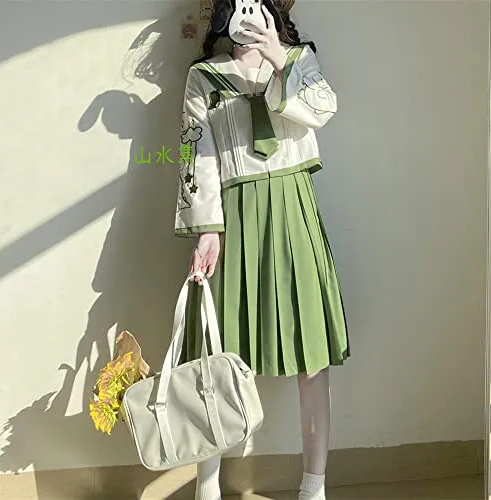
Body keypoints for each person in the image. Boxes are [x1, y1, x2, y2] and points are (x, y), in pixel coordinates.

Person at [174, 1, 350, 498]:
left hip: (294, 211)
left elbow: (322, 111)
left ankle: (313, 486)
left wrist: (278, 57)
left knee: (311, 356)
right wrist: (207, 229)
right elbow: (193, 152)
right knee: (216, 357)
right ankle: (208, 487)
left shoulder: (298, 60)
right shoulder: (204, 77)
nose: (248, 15)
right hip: (233, 217)